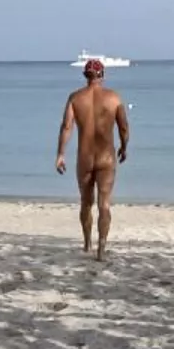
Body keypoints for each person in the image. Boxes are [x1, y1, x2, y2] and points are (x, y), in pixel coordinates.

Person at [55, 58, 129, 259]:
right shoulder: (114, 98)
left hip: (85, 158)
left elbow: (67, 127)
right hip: (106, 159)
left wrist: (61, 154)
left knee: (86, 202)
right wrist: (124, 147)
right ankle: (101, 249)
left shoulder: (75, 98)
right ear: (102, 75)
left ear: (85, 76)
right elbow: (123, 127)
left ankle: (87, 242)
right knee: (104, 204)